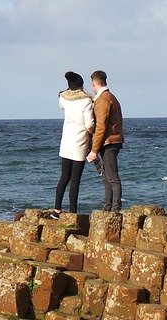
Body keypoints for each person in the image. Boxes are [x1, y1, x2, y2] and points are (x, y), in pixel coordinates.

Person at [53, 71, 95, 218]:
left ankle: (57, 209)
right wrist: (93, 131)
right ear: (81, 86)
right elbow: (89, 123)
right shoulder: (86, 101)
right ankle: (73, 211)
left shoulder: (63, 99)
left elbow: (63, 101)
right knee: (75, 179)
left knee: (64, 177)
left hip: (66, 142)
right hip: (79, 142)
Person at [86, 70, 124, 212]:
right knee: (107, 177)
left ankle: (114, 209)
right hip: (114, 140)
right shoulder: (111, 97)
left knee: (112, 177)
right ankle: (108, 207)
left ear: (93, 84)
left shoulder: (103, 100)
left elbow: (101, 127)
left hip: (109, 142)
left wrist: (94, 150)